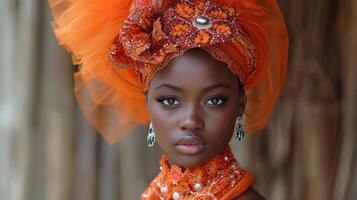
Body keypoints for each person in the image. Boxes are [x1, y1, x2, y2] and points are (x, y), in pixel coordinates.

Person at [49, 0, 288, 199]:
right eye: (170, 101)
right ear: (147, 103)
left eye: (214, 100)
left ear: (240, 104)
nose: (191, 121)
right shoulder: (155, 192)